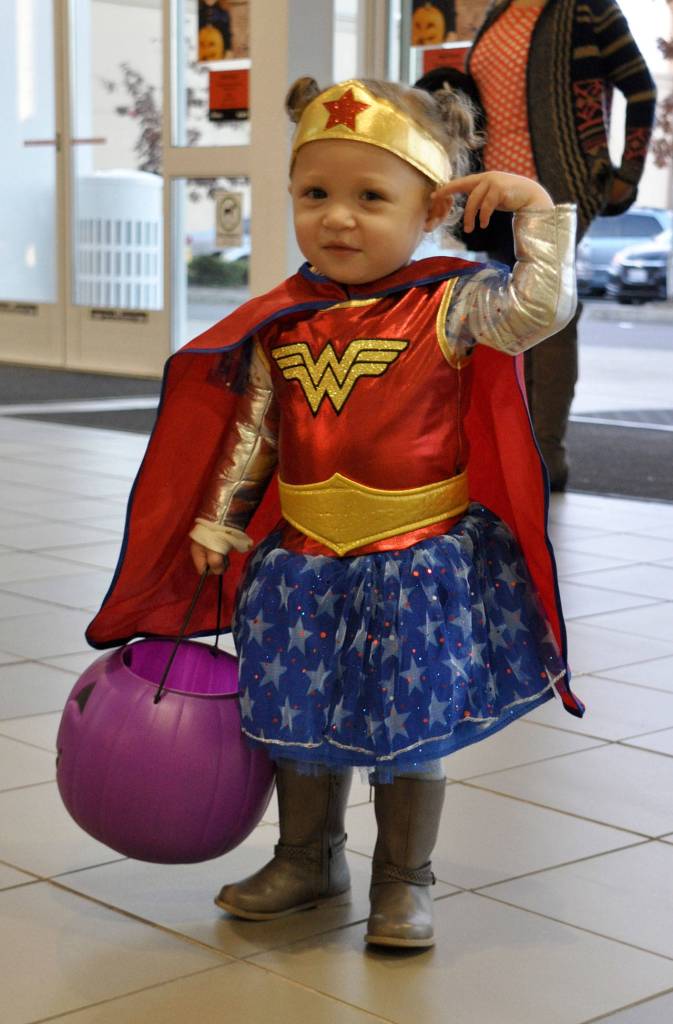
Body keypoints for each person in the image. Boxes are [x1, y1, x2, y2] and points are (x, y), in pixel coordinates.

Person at [87, 77, 584, 949]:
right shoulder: (285, 321)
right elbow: (255, 433)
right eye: (314, 194)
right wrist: (219, 518)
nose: (338, 219)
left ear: (432, 209)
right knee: (296, 715)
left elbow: (539, 310)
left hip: (415, 560)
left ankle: (404, 881)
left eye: (370, 198)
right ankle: (308, 860)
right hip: (302, 562)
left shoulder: (452, 303)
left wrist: (536, 209)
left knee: (407, 724)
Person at [466, 0, 656, 490]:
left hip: (558, 185)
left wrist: (628, 174)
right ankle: (507, 450)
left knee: (549, 318)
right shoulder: (499, 12)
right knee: (503, 315)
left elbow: (641, 88)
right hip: (496, 193)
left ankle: (545, 457)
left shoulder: (587, 8)